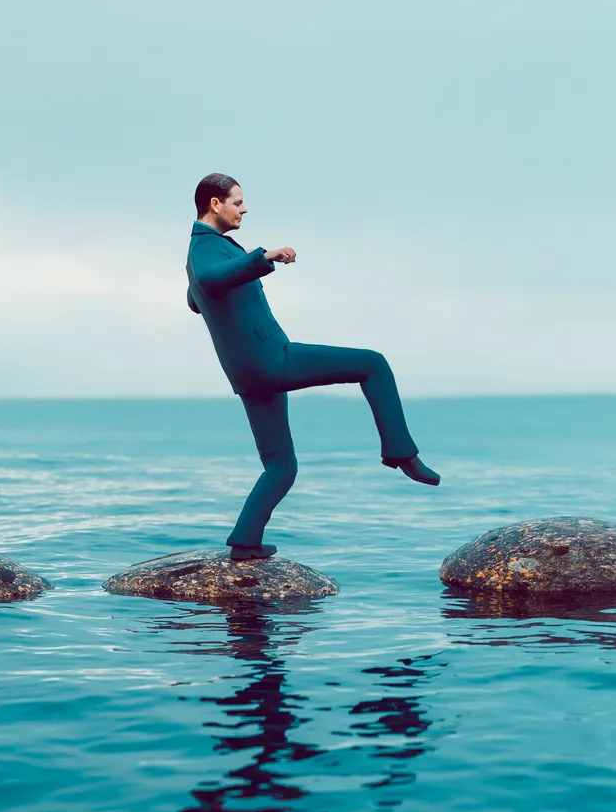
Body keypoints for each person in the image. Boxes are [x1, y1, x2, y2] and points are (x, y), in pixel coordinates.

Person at [185, 172, 440, 562]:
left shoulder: (206, 250)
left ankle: (245, 542)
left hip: (248, 374)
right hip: (271, 360)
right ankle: (401, 453)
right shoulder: (204, 248)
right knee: (373, 364)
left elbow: (196, 294)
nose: (244, 208)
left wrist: (210, 291)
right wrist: (263, 257)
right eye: (237, 202)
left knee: (281, 467)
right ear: (215, 204)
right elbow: (208, 277)